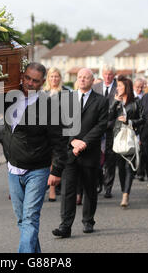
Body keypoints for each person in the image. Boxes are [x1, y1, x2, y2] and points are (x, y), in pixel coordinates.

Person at [1, 62, 68, 253]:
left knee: (30, 218)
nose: (29, 83)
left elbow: (59, 141)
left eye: (35, 81)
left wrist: (57, 170)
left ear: (43, 82)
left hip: (37, 170)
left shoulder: (50, 106)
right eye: (27, 78)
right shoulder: (9, 97)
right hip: (13, 169)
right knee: (22, 220)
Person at [52, 68, 108, 238]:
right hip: (70, 152)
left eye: (86, 77)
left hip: (90, 151)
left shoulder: (101, 101)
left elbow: (102, 125)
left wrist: (84, 142)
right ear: (76, 80)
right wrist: (73, 141)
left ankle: (88, 221)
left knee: (90, 189)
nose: (82, 80)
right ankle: (65, 226)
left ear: (92, 81)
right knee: (68, 190)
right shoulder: (65, 98)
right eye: (80, 77)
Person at [109, 76, 144, 208]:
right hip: (118, 137)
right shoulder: (116, 102)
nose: (117, 88)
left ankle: (125, 195)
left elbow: (143, 119)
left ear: (127, 88)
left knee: (129, 166)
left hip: (131, 136)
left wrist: (130, 121)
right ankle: (125, 189)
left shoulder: (136, 102)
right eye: (117, 86)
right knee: (121, 169)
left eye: (120, 86)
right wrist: (114, 103)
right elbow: (108, 116)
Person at [43, 67, 69, 202]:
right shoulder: (43, 93)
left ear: (60, 78)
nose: (54, 79)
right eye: (51, 76)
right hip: (45, 132)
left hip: (61, 131)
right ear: (48, 78)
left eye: (56, 76)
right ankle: (50, 187)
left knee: (57, 159)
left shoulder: (65, 92)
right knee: (48, 160)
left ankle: (54, 188)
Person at [92, 67, 118, 198]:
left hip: (112, 129)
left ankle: (108, 187)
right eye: (105, 74)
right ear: (102, 75)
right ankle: (98, 182)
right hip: (97, 128)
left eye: (110, 74)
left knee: (110, 159)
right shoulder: (95, 87)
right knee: (97, 158)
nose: (107, 77)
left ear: (114, 75)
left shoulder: (119, 87)